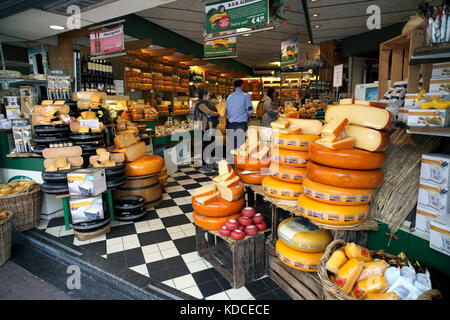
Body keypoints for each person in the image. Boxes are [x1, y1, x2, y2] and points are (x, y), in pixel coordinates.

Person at [193, 88, 220, 172]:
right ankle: (204, 165)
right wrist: (217, 113)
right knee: (205, 147)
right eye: (208, 95)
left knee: (212, 145)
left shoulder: (208, 103)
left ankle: (212, 163)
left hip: (211, 127)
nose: (209, 96)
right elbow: (208, 112)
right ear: (204, 96)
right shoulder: (200, 104)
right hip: (205, 128)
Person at [226, 79, 254, 149]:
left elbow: (227, 112)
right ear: (242, 85)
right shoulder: (245, 96)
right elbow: (251, 112)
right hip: (241, 126)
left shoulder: (229, 97)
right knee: (241, 149)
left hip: (231, 126)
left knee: (233, 148)